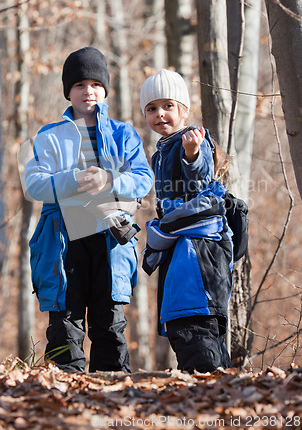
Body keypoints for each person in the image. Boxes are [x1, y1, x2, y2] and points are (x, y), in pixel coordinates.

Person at [23, 47, 154, 373]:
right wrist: (73, 180)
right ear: (68, 91)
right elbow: (34, 184)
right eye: (80, 85)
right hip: (61, 241)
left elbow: (143, 180)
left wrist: (110, 179)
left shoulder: (124, 134)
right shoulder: (49, 136)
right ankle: (65, 397)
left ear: (105, 89)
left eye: (96, 84)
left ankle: (114, 398)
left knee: (109, 321)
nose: (88, 91)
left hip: (111, 239)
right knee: (64, 323)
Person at [140, 68, 240, 374]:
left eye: (168, 106)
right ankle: (210, 390)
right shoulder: (160, 151)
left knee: (195, 325)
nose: (160, 114)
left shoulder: (191, 139)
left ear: (184, 110)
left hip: (199, 251)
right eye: (151, 108)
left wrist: (193, 153)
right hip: (179, 246)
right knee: (183, 328)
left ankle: (214, 396)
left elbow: (200, 183)